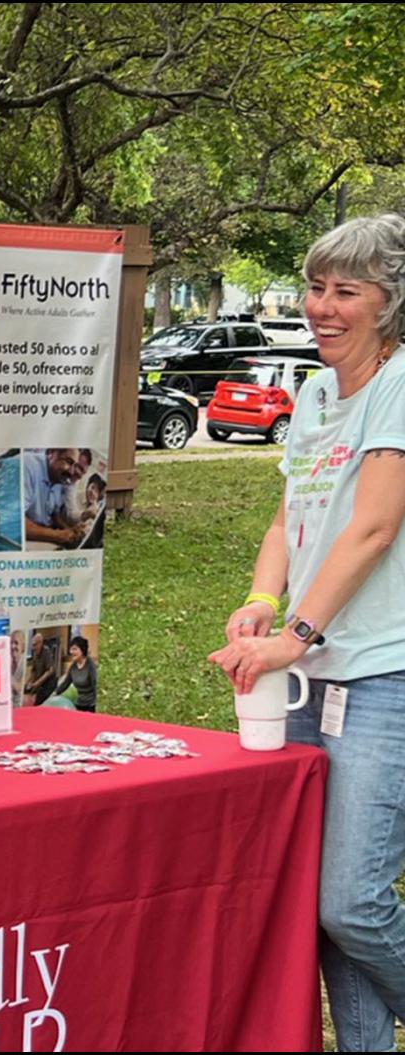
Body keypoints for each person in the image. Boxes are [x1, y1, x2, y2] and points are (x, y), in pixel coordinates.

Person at [208, 214, 405, 1051]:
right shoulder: (319, 391)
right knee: (318, 904)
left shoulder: (398, 385)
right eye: (316, 287)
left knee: (348, 898)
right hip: (312, 673)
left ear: (389, 304)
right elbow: (294, 509)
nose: (321, 307)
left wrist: (294, 632)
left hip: (382, 671)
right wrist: (263, 595)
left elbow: (374, 525)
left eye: (345, 292)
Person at [23, 448, 92, 549]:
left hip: (44, 532)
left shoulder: (59, 478)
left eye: (75, 466)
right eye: (69, 462)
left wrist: (69, 531)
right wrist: (58, 535)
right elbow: (19, 522)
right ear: (51, 452)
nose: (72, 472)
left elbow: (54, 513)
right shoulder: (28, 466)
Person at [52, 635, 98, 712]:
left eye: (75, 649)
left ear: (82, 650)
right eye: (71, 649)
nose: (71, 652)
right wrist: (55, 692)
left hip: (91, 705)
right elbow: (66, 683)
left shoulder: (90, 665)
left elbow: (96, 686)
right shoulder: (73, 666)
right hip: (80, 703)